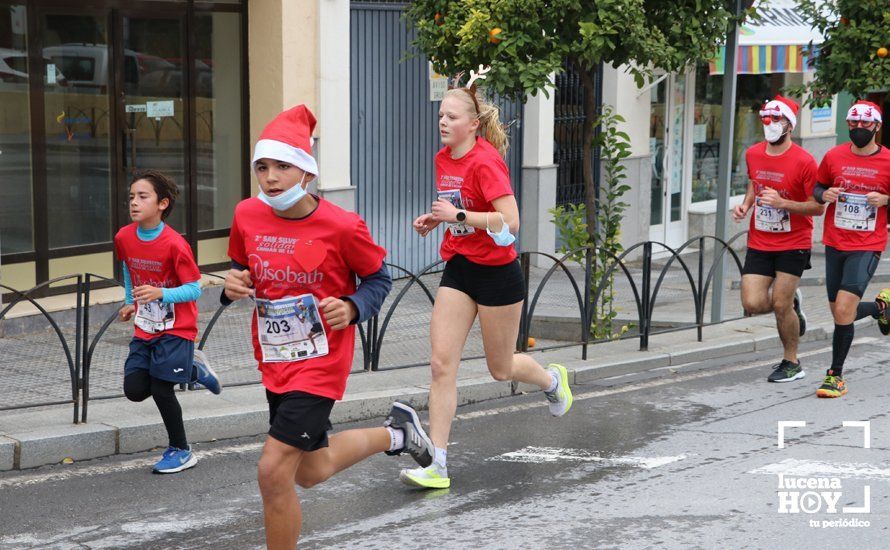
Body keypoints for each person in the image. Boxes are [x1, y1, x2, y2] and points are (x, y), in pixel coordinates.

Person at [222, 105, 434, 548]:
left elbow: (378, 277)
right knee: (310, 471)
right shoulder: (246, 215)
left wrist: (354, 307)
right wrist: (232, 285)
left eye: (283, 166)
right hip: (276, 358)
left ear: (307, 172)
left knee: (272, 469)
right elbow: (241, 269)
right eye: (263, 167)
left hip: (321, 363)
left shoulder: (342, 226)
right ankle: (398, 434)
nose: (271, 177)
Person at [405, 81, 573, 490]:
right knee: (441, 364)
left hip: (499, 274)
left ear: (473, 124)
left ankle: (552, 381)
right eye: (441, 115)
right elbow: (457, 209)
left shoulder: (486, 161)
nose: (442, 121)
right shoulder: (443, 158)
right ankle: (437, 464)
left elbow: (510, 221)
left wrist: (458, 215)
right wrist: (438, 220)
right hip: (460, 269)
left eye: (451, 116)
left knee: (501, 368)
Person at [115, 169, 221, 474]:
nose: (134, 202)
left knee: (162, 389)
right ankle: (193, 368)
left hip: (177, 328)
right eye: (132, 196)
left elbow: (194, 287)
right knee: (135, 389)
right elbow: (129, 270)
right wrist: (129, 302)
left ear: (162, 203)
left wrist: (161, 292)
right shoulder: (124, 236)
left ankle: (181, 449)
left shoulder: (175, 244)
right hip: (146, 327)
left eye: (142, 196)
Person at [731, 96, 822, 383]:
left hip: (793, 241)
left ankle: (791, 361)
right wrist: (746, 204)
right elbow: (754, 183)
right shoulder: (753, 153)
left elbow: (817, 207)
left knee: (780, 304)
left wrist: (784, 204)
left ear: (789, 125)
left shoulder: (805, 162)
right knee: (752, 303)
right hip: (760, 239)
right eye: (765, 119)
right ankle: (793, 304)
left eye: (776, 119)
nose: (769, 124)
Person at [812, 100, 890, 398]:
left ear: (877, 126)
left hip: (867, 244)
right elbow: (817, 189)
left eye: (865, 125)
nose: (858, 129)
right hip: (835, 242)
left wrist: (885, 201)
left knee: (844, 309)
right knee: (839, 312)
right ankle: (882, 308)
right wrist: (825, 193)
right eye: (853, 125)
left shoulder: (888, 160)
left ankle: (835, 375)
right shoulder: (833, 156)